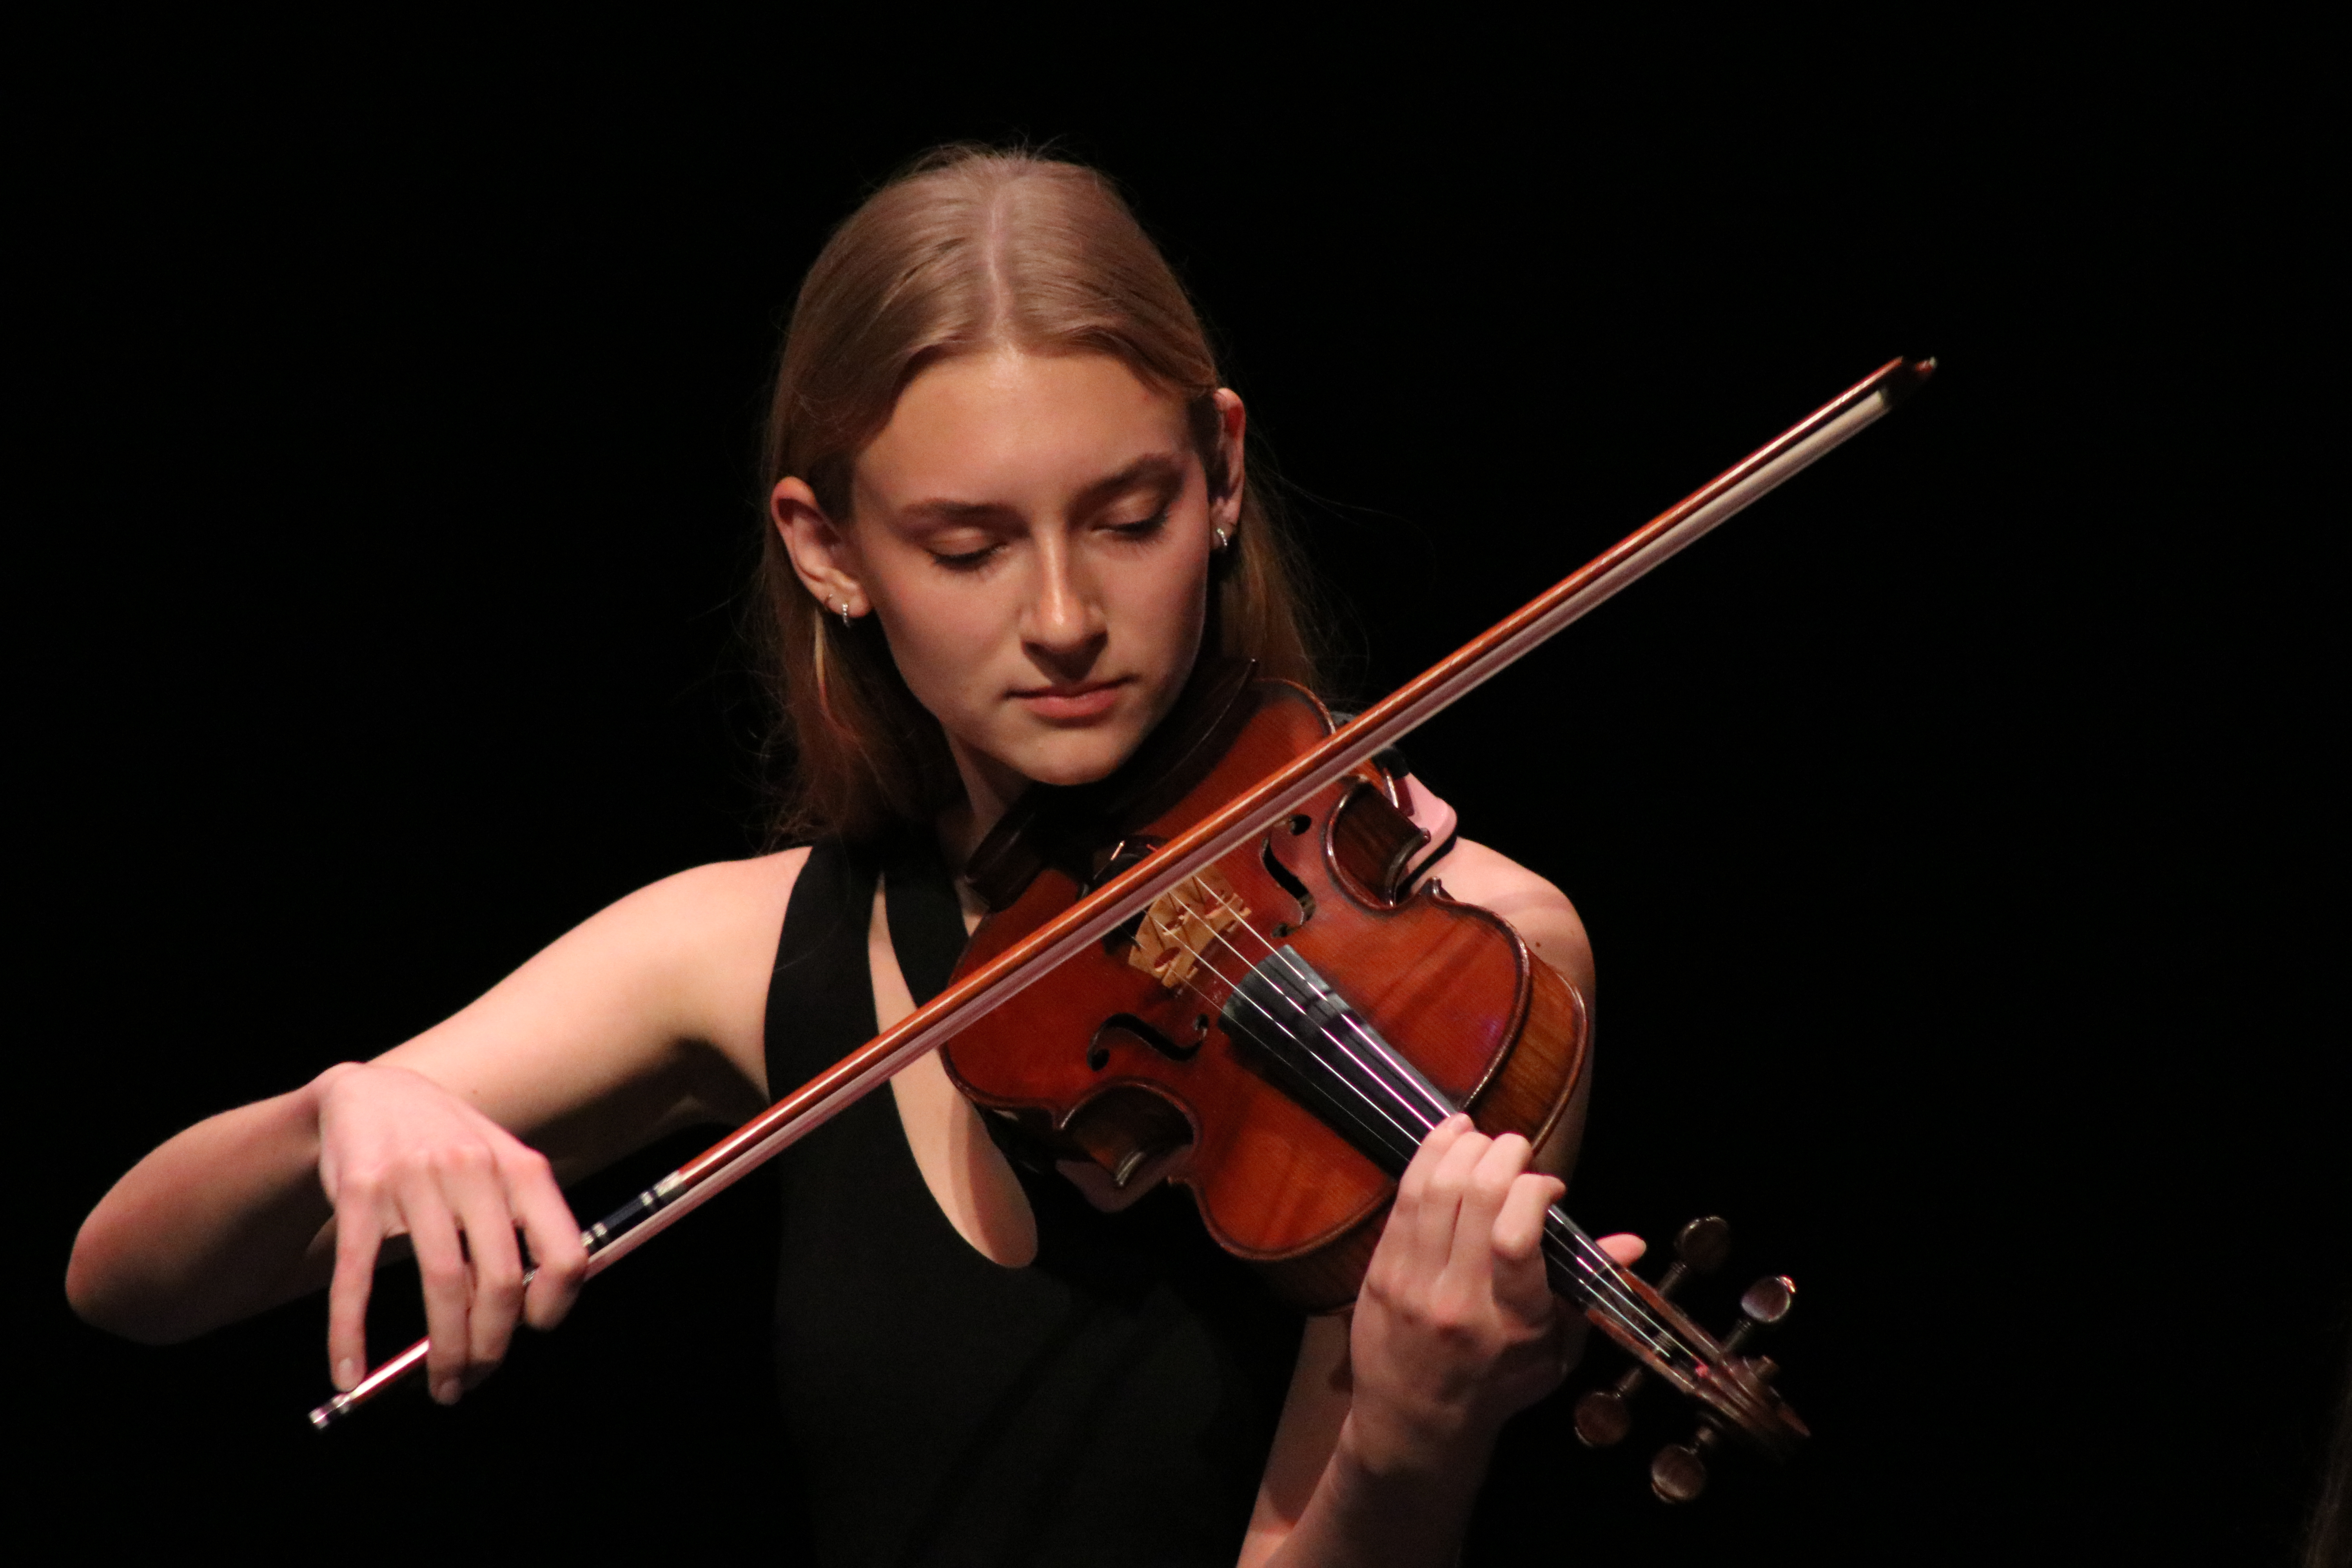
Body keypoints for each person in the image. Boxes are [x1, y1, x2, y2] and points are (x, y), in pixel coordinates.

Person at [65, 146, 1641, 1566]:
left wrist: (1402, 1447)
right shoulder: (742, 949)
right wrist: (339, 1108)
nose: (1064, 616)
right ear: (829, 550)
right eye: (966, 545)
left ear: (1223, 473)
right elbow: (126, 1281)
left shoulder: (1463, 953)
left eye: (1131, 513)